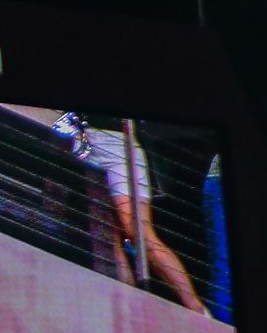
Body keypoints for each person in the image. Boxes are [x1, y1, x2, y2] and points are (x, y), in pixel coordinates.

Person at [74, 114, 208, 315]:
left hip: (118, 141)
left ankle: (198, 310)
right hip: (80, 139)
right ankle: (126, 311)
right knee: (108, 237)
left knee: (136, 229)